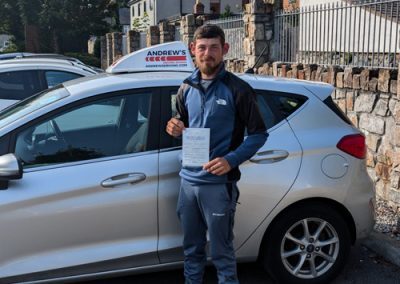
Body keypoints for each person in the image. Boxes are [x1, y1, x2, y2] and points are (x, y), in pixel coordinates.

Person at [166, 24, 268, 284]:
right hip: (188, 183)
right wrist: (174, 126)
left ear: (224, 49)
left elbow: (259, 134)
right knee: (191, 252)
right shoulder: (185, 88)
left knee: (222, 254)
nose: (207, 53)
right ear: (193, 50)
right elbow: (183, 122)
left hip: (218, 186)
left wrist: (231, 160)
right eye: (202, 48)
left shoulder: (239, 89)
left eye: (213, 48)